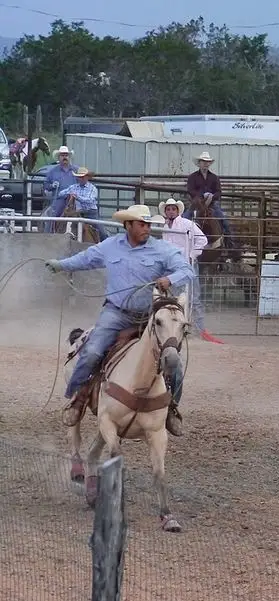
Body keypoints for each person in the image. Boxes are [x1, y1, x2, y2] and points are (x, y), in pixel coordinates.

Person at [44, 204, 195, 437]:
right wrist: (60, 265)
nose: (147, 229)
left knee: (173, 362)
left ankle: (171, 407)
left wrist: (170, 278)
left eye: (149, 225)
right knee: (92, 351)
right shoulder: (110, 246)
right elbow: (85, 259)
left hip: (150, 318)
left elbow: (187, 270)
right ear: (128, 225)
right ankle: (77, 399)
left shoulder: (162, 250)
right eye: (142, 224)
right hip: (116, 313)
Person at [158, 197, 224, 345]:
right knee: (175, 297)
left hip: (186, 264)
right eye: (168, 209)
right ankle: (179, 328)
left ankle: (199, 330)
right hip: (172, 266)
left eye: (173, 209)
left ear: (177, 210)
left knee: (193, 297)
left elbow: (202, 239)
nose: (170, 211)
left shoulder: (187, 224)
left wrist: (191, 255)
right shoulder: (164, 227)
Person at [184, 151, 233, 245]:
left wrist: (212, 197)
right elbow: (190, 190)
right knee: (185, 218)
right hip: (197, 204)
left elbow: (218, 192)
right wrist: (202, 196)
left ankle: (229, 245)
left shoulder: (214, 178)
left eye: (207, 162)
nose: (205, 164)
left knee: (224, 220)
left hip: (212, 204)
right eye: (203, 161)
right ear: (199, 163)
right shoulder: (192, 177)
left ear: (209, 163)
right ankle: (183, 241)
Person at [62, 167, 109, 241]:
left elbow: (90, 200)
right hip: (77, 213)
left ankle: (106, 246)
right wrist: (68, 194)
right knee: (62, 226)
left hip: (90, 213)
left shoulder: (92, 188)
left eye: (82, 177)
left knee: (102, 232)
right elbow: (61, 193)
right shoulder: (74, 187)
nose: (80, 179)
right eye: (79, 177)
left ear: (87, 177)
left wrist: (77, 197)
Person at [43, 146, 79, 233]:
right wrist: (52, 185)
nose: (64, 157)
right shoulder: (53, 172)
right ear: (59, 157)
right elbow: (46, 185)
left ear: (69, 157)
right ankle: (46, 236)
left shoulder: (76, 170)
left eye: (66, 155)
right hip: (59, 199)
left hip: (75, 199)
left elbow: (82, 182)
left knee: (85, 215)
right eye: (62, 155)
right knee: (53, 215)